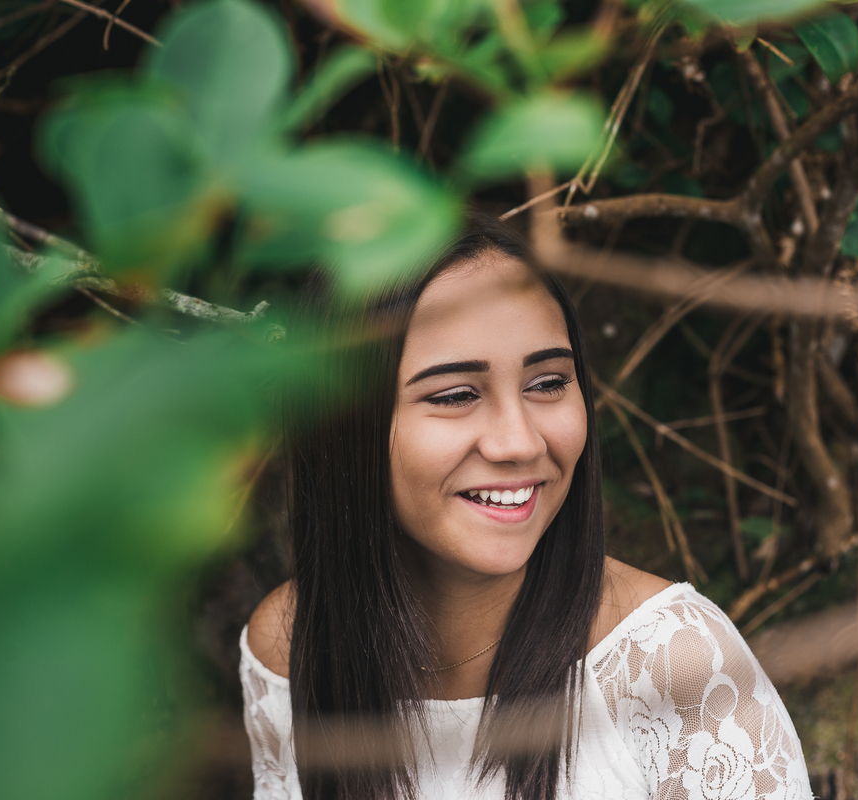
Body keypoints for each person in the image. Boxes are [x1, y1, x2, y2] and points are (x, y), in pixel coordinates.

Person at [240, 218, 813, 800]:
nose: (519, 443)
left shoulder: (673, 665)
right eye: (456, 395)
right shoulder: (291, 646)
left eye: (547, 383)